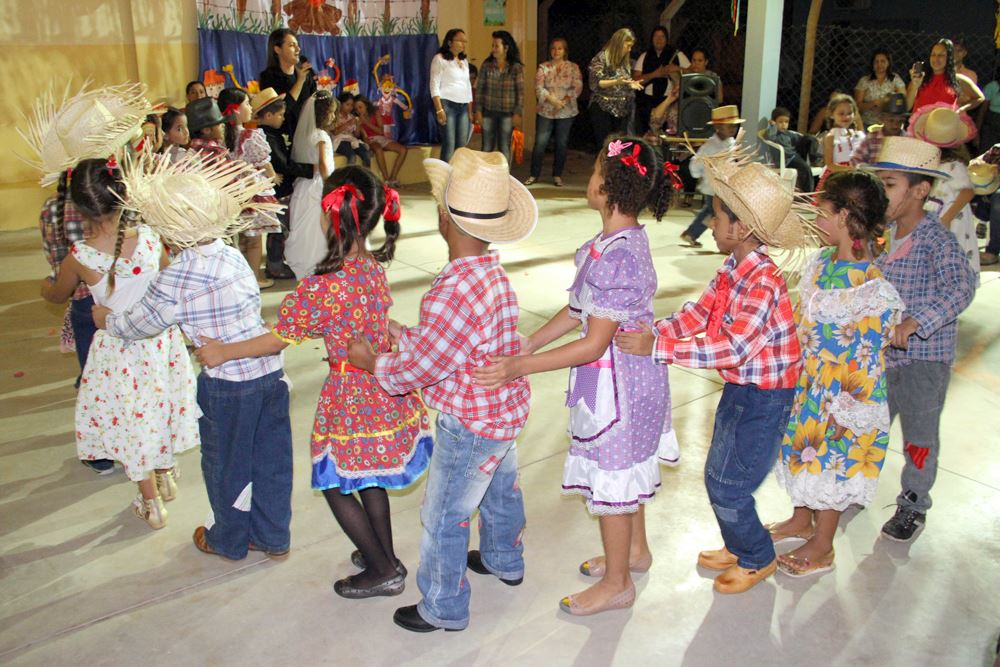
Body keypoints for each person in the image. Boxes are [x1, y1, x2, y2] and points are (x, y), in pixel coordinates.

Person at [195, 167, 432, 598]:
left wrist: (223, 351)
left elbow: (277, 340)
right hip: (382, 392)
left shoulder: (321, 286)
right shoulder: (372, 268)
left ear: (330, 214)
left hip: (349, 397)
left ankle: (381, 570)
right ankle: (386, 557)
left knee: (335, 481)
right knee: (369, 476)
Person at [475, 137, 672, 616]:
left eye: (594, 171)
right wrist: (533, 341)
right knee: (626, 475)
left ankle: (618, 582)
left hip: (618, 390)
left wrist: (518, 367)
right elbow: (580, 309)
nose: (590, 178)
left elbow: (592, 342)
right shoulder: (611, 245)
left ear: (606, 186)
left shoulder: (619, 255)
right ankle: (636, 552)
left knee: (614, 479)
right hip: (626, 380)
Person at [347, 148, 535, 633]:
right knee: (500, 488)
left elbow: (425, 367)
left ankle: (443, 605)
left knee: (445, 512)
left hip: (469, 423)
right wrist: (405, 336)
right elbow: (453, 348)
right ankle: (504, 558)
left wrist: (374, 362)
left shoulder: (450, 290)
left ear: (441, 219)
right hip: (501, 412)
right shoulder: (491, 276)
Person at [617, 149, 817, 595]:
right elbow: (699, 314)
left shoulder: (762, 281)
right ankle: (740, 541)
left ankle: (758, 556)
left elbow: (733, 347)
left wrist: (660, 349)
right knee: (719, 473)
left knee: (730, 483)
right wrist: (654, 330)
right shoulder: (732, 268)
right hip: (742, 391)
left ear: (741, 228)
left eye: (717, 215)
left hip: (766, 399)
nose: (710, 222)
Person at [93, 149, 291, 560]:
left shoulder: (177, 276)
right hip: (270, 374)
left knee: (226, 465)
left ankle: (229, 539)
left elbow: (140, 325)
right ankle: (272, 535)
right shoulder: (232, 255)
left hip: (228, 385)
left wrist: (106, 320)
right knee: (270, 460)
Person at [41, 159, 201, 529]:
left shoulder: (79, 257)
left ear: (78, 208)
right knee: (158, 406)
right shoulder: (148, 238)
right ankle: (165, 473)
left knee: (131, 420)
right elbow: (166, 283)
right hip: (160, 342)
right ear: (122, 196)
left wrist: (45, 288)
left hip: (119, 351)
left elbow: (57, 294)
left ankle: (152, 503)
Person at [769, 170, 903, 577]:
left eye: (824, 211)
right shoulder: (822, 261)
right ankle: (800, 518)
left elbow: (864, 358)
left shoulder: (871, 287)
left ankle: (824, 543)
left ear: (845, 216)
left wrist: (840, 409)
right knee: (803, 454)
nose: (817, 218)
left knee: (830, 462)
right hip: (809, 385)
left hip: (841, 398)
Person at [22, 82, 154, 474]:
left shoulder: (54, 210)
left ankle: (102, 450)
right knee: (133, 377)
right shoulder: (127, 202)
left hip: (85, 303)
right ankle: (143, 443)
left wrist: (50, 287)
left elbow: (55, 263)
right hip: (132, 306)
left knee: (95, 375)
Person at [863, 136, 976, 541]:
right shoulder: (886, 235)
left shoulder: (936, 240)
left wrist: (915, 323)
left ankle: (913, 504)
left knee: (919, 440)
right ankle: (857, 488)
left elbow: (961, 288)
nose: (881, 192)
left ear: (920, 190)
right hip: (883, 358)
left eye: (889, 184)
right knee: (871, 426)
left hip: (925, 362)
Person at [218, 88, 282, 289]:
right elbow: (265, 163)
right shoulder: (250, 135)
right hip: (252, 191)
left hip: (232, 192)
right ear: (236, 110)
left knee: (242, 240)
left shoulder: (221, 136)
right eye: (246, 103)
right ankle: (253, 280)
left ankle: (242, 278)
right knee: (254, 241)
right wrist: (273, 178)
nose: (249, 107)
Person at [909, 105, 981, 280]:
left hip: (950, 218)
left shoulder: (954, 166)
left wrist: (947, 218)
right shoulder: (932, 163)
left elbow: (967, 192)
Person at [256, 88, 309, 280]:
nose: (283, 118)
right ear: (268, 115)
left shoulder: (272, 133)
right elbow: (282, 163)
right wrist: (310, 170)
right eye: (280, 115)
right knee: (278, 230)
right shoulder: (266, 137)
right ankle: (275, 266)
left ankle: (278, 261)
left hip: (281, 190)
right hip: (276, 192)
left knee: (282, 228)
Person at [285, 91, 336, 279]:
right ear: (322, 113)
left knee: (305, 226)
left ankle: (304, 259)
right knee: (318, 226)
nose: (332, 116)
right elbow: (323, 163)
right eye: (330, 112)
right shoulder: (321, 135)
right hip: (319, 184)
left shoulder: (308, 133)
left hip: (304, 185)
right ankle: (320, 260)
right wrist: (331, 185)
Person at [680, 105, 744, 248]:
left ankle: (692, 233)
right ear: (718, 127)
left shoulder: (731, 143)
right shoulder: (709, 146)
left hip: (726, 187)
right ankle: (722, 241)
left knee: (712, 213)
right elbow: (695, 164)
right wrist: (698, 174)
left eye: (735, 126)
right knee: (720, 214)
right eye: (730, 126)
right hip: (712, 188)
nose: (733, 129)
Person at [526, 37, 582, 187]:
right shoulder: (543, 67)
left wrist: (563, 101)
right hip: (546, 109)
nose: (556, 51)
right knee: (540, 143)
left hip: (566, 110)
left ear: (565, 51)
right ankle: (534, 174)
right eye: (553, 48)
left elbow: (577, 86)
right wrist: (553, 101)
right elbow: (539, 88)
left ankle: (557, 174)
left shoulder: (573, 67)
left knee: (561, 144)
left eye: (559, 48)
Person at [475, 30, 524, 165]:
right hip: (488, 112)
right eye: (493, 46)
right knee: (486, 148)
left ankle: (503, 179)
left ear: (506, 48)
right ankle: (485, 178)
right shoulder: (486, 65)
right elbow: (479, 90)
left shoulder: (516, 67)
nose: (493, 49)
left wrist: (517, 113)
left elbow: (520, 92)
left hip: (507, 114)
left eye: (497, 46)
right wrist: (478, 111)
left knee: (504, 148)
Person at [588, 28, 643, 148]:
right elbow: (596, 83)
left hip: (621, 109)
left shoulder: (624, 61)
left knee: (619, 148)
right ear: (619, 42)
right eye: (627, 46)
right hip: (603, 107)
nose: (629, 49)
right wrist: (616, 81)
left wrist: (630, 84)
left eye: (631, 46)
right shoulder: (602, 57)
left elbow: (624, 80)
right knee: (605, 147)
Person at [258, 28, 316, 137]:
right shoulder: (269, 77)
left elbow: (314, 104)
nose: (298, 49)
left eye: (297, 45)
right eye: (291, 45)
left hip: (306, 136)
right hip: (282, 138)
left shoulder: (306, 74)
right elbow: (281, 110)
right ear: (277, 49)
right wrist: (299, 82)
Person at [632, 26, 686, 135]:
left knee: (669, 132)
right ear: (652, 39)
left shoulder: (677, 55)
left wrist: (677, 68)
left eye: (662, 36)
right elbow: (635, 81)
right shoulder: (645, 56)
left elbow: (692, 72)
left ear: (667, 39)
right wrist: (654, 74)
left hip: (670, 99)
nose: (659, 39)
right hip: (648, 101)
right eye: (656, 36)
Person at [430, 28, 474, 163]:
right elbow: (434, 85)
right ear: (450, 42)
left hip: (463, 107)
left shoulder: (464, 61)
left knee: (461, 146)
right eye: (460, 40)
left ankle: (457, 178)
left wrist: (470, 110)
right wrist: (439, 109)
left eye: (464, 41)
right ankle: (446, 179)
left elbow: (468, 86)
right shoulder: (439, 59)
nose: (463, 44)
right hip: (447, 105)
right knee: (449, 144)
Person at [907, 38, 983, 115]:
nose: (936, 58)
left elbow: (979, 98)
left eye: (941, 55)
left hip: (945, 125)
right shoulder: (921, 77)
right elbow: (907, 106)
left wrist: (960, 109)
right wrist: (915, 85)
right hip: (920, 124)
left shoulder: (957, 79)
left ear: (949, 58)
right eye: (933, 54)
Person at [356, 96, 408, 187]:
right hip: (371, 141)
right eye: (356, 109)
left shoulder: (375, 113)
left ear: (366, 106)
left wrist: (366, 122)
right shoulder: (357, 119)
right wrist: (358, 125)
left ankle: (393, 178)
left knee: (403, 150)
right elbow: (358, 135)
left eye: (360, 107)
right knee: (378, 149)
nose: (358, 110)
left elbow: (380, 131)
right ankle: (386, 179)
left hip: (381, 138)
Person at [763, 106, 816, 193]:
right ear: (774, 122)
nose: (784, 124)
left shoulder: (788, 134)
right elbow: (770, 137)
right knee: (806, 169)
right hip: (787, 159)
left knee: (809, 138)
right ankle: (808, 194)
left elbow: (800, 139)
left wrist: (812, 139)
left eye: (786, 122)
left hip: (794, 155)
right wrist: (773, 126)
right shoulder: (774, 134)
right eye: (780, 122)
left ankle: (814, 158)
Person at [819, 94, 865, 190]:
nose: (846, 117)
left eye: (849, 113)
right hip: (836, 178)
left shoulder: (856, 135)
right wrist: (850, 170)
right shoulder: (831, 137)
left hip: (853, 176)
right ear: (832, 115)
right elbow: (830, 164)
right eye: (841, 113)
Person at [849, 93, 909, 167]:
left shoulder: (908, 140)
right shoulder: (872, 138)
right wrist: (867, 170)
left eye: (900, 121)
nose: (895, 125)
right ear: (882, 118)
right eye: (891, 120)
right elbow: (855, 159)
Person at [855, 50, 907, 127]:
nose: (879, 64)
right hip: (868, 123)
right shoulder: (864, 81)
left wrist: (886, 103)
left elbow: (902, 101)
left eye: (883, 61)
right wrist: (874, 103)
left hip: (889, 124)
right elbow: (857, 107)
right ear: (872, 64)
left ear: (888, 63)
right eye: (876, 62)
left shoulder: (895, 79)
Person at [972, 142, 1000, 265]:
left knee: (998, 198)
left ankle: (992, 251)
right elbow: (976, 163)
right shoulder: (996, 149)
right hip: (989, 186)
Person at [332, 93, 371, 168]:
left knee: (366, 155)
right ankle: (349, 178)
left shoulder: (352, 117)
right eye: (347, 104)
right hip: (339, 140)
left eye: (352, 105)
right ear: (340, 104)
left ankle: (366, 177)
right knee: (351, 155)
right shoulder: (334, 116)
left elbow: (356, 135)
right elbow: (335, 132)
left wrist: (358, 125)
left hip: (351, 139)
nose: (350, 107)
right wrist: (348, 123)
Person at [186, 97, 230, 161]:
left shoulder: (192, 149)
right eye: (219, 124)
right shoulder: (217, 152)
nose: (223, 125)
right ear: (206, 130)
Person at [976, 63, 1000, 151]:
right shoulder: (993, 86)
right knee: (986, 155)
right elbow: (982, 111)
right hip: (992, 125)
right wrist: (977, 133)